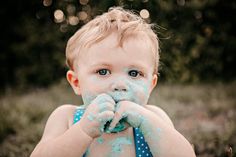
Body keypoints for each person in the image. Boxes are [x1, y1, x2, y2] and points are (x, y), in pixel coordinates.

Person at [30, 7, 196, 157]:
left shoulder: (155, 117)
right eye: (103, 72)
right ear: (76, 82)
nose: (120, 85)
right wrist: (83, 130)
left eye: (134, 73)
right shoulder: (67, 117)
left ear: (151, 85)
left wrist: (147, 124)